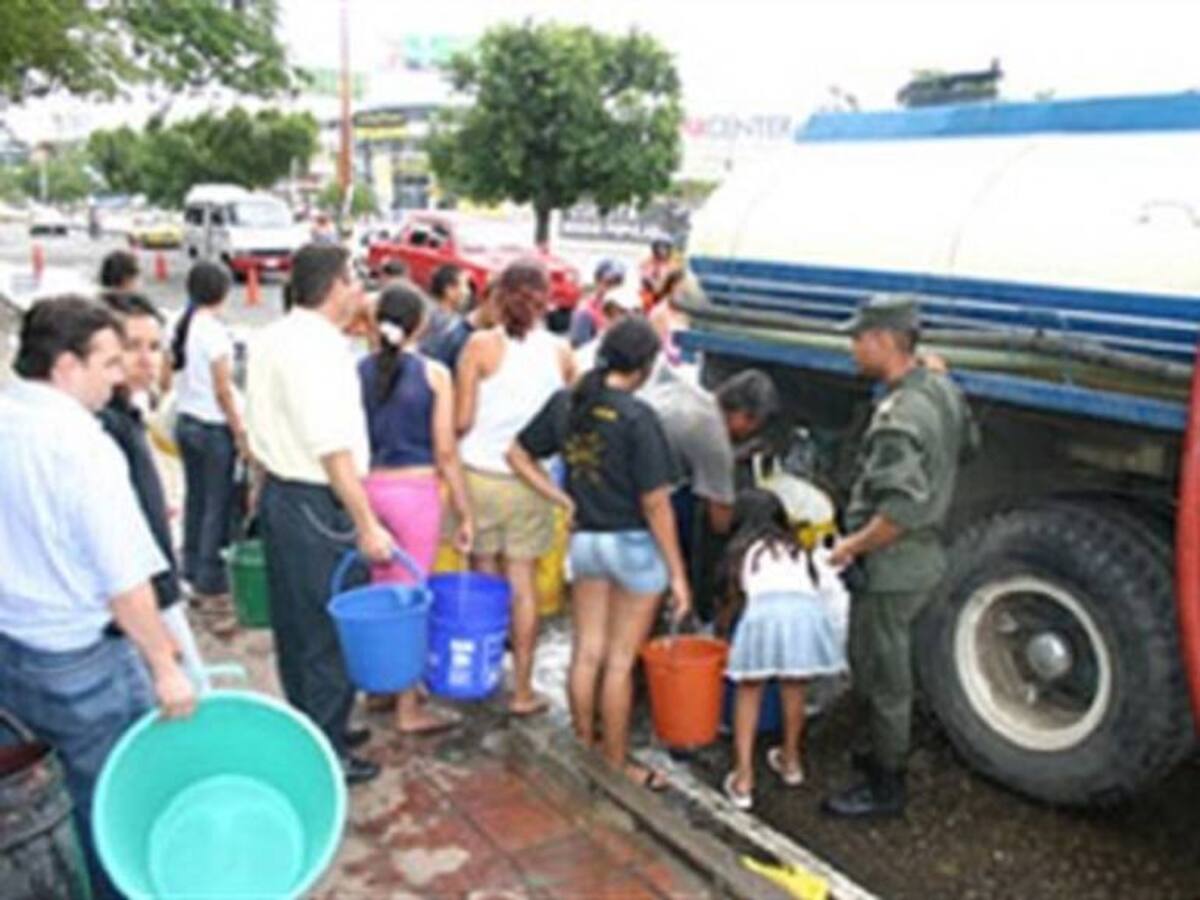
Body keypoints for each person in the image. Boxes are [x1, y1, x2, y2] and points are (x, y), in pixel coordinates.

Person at [0, 297, 195, 898]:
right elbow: (123, 579)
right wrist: (165, 665)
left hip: (14, 646)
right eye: (108, 361)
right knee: (111, 805)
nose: (120, 374)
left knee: (42, 799)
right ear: (65, 365)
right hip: (82, 663)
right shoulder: (80, 445)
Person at [506, 317, 691, 789]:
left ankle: (584, 741)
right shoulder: (637, 417)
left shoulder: (570, 402)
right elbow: (656, 503)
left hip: (585, 543)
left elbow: (516, 454)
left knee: (586, 652)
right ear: (646, 366)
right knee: (619, 661)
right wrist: (679, 575)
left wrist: (561, 498)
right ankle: (615, 762)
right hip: (632, 547)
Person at [823, 294, 978, 819]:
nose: (851, 348)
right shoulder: (939, 389)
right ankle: (880, 754)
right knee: (884, 666)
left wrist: (850, 547)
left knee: (884, 678)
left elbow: (899, 514)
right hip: (920, 561)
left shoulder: (898, 415)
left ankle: (886, 787)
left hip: (892, 567)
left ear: (885, 342)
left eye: (858, 338)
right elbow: (969, 446)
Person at [246, 243, 395, 785]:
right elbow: (332, 447)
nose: (360, 291)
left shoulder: (272, 337)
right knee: (326, 627)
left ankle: (317, 723)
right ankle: (327, 749)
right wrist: (366, 522)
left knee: (296, 620)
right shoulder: (321, 349)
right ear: (334, 286)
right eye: (354, 279)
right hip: (317, 500)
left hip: (284, 494)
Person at [456, 259, 575, 716]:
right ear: (546, 300)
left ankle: (487, 674)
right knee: (523, 584)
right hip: (533, 482)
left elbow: (463, 420)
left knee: (486, 577)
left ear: (499, 295)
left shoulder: (480, 346)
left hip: (479, 478)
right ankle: (522, 690)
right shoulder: (562, 353)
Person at [359, 280, 474, 733]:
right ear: (422, 323)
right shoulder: (434, 375)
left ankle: (378, 686)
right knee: (410, 598)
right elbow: (445, 451)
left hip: (370, 490)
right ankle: (408, 707)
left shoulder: (358, 371)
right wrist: (464, 510)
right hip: (416, 494)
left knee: (379, 590)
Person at [99, 292, 208, 687]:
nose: (146, 360)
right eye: (131, 347)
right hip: (141, 600)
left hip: (157, 588)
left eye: (155, 347)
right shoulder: (101, 428)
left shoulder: (128, 415)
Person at [720, 489, 848, 811]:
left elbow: (734, 604)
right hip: (805, 616)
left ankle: (744, 779)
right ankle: (791, 762)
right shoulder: (797, 549)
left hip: (764, 614)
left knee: (749, 690)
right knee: (794, 689)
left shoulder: (742, 551)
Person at [172, 262, 245, 623]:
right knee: (218, 504)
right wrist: (241, 432)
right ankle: (211, 581)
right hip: (214, 427)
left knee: (196, 499)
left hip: (186, 421)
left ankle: (189, 570)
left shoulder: (182, 324)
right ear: (222, 292)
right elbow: (224, 390)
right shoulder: (215, 333)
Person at [573, 283, 643, 373]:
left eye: (635, 313)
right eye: (621, 313)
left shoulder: (650, 354)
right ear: (605, 315)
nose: (624, 320)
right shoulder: (584, 356)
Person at [568, 258, 626, 349]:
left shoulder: (626, 311)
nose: (614, 288)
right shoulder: (585, 312)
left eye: (618, 283)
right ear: (597, 281)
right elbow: (580, 351)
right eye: (609, 283)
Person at [420, 263, 469, 365]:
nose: (467, 292)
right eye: (464, 285)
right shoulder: (444, 321)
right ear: (449, 290)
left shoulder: (425, 308)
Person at [647, 269, 690, 366]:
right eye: (681, 286)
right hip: (665, 365)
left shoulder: (688, 312)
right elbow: (654, 346)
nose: (685, 290)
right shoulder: (659, 312)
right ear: (671, 286)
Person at [639, 237, 678, 310]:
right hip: (649, 294)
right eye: (660, 247)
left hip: (667, 295)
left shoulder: (673, 265)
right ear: (654, 248)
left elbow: (674, 281)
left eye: (665, 247)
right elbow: (645, 278)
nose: (662, 250)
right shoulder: (646, 262)